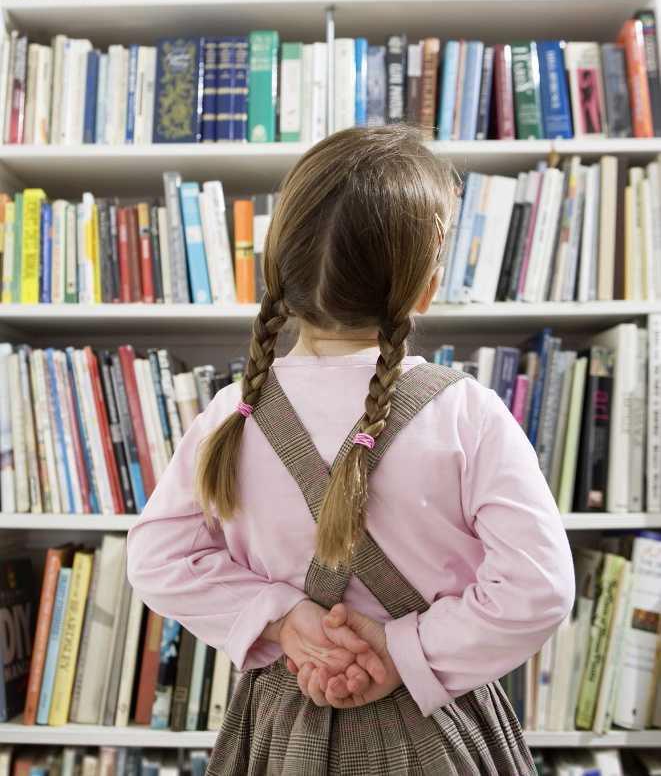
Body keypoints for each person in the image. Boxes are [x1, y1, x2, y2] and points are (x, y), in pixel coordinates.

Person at [127, 126, 575, 775]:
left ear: (278, 272)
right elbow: (538, 589)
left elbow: (156, 558)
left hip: (284, 725)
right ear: (424, 287)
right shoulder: (467, 412)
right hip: (437, 729)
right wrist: (402, 652)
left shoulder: (232, 414)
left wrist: (285, 620)